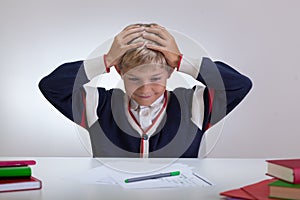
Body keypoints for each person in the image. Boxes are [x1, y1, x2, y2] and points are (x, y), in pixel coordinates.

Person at [39, 23, 252, 158]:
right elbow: (52, 86)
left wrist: (181, 60)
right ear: (119, 72)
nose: (145, 88)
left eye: (156, 78)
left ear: (170, 73)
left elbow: (239, 84)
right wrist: (106, 60)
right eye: (134, 79)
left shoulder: (194, 105)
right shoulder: (99, 105)